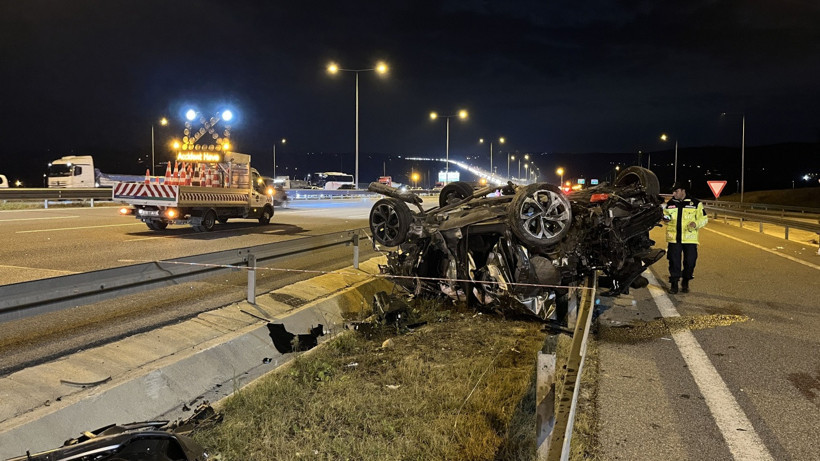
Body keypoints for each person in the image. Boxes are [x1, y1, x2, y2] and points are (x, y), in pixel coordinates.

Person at [662, 182, 708, 294]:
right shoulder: (670, 203)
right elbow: (666, 215)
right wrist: (666, 219)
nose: (673, 194)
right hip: (674, 238)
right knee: (674, 261)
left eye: (676, 191)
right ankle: (674, 283)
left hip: (690, 238)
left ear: (683, 191)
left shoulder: (696, 203)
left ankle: (686, 280)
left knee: (690, 262)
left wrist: (695, 224)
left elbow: (704, 219)